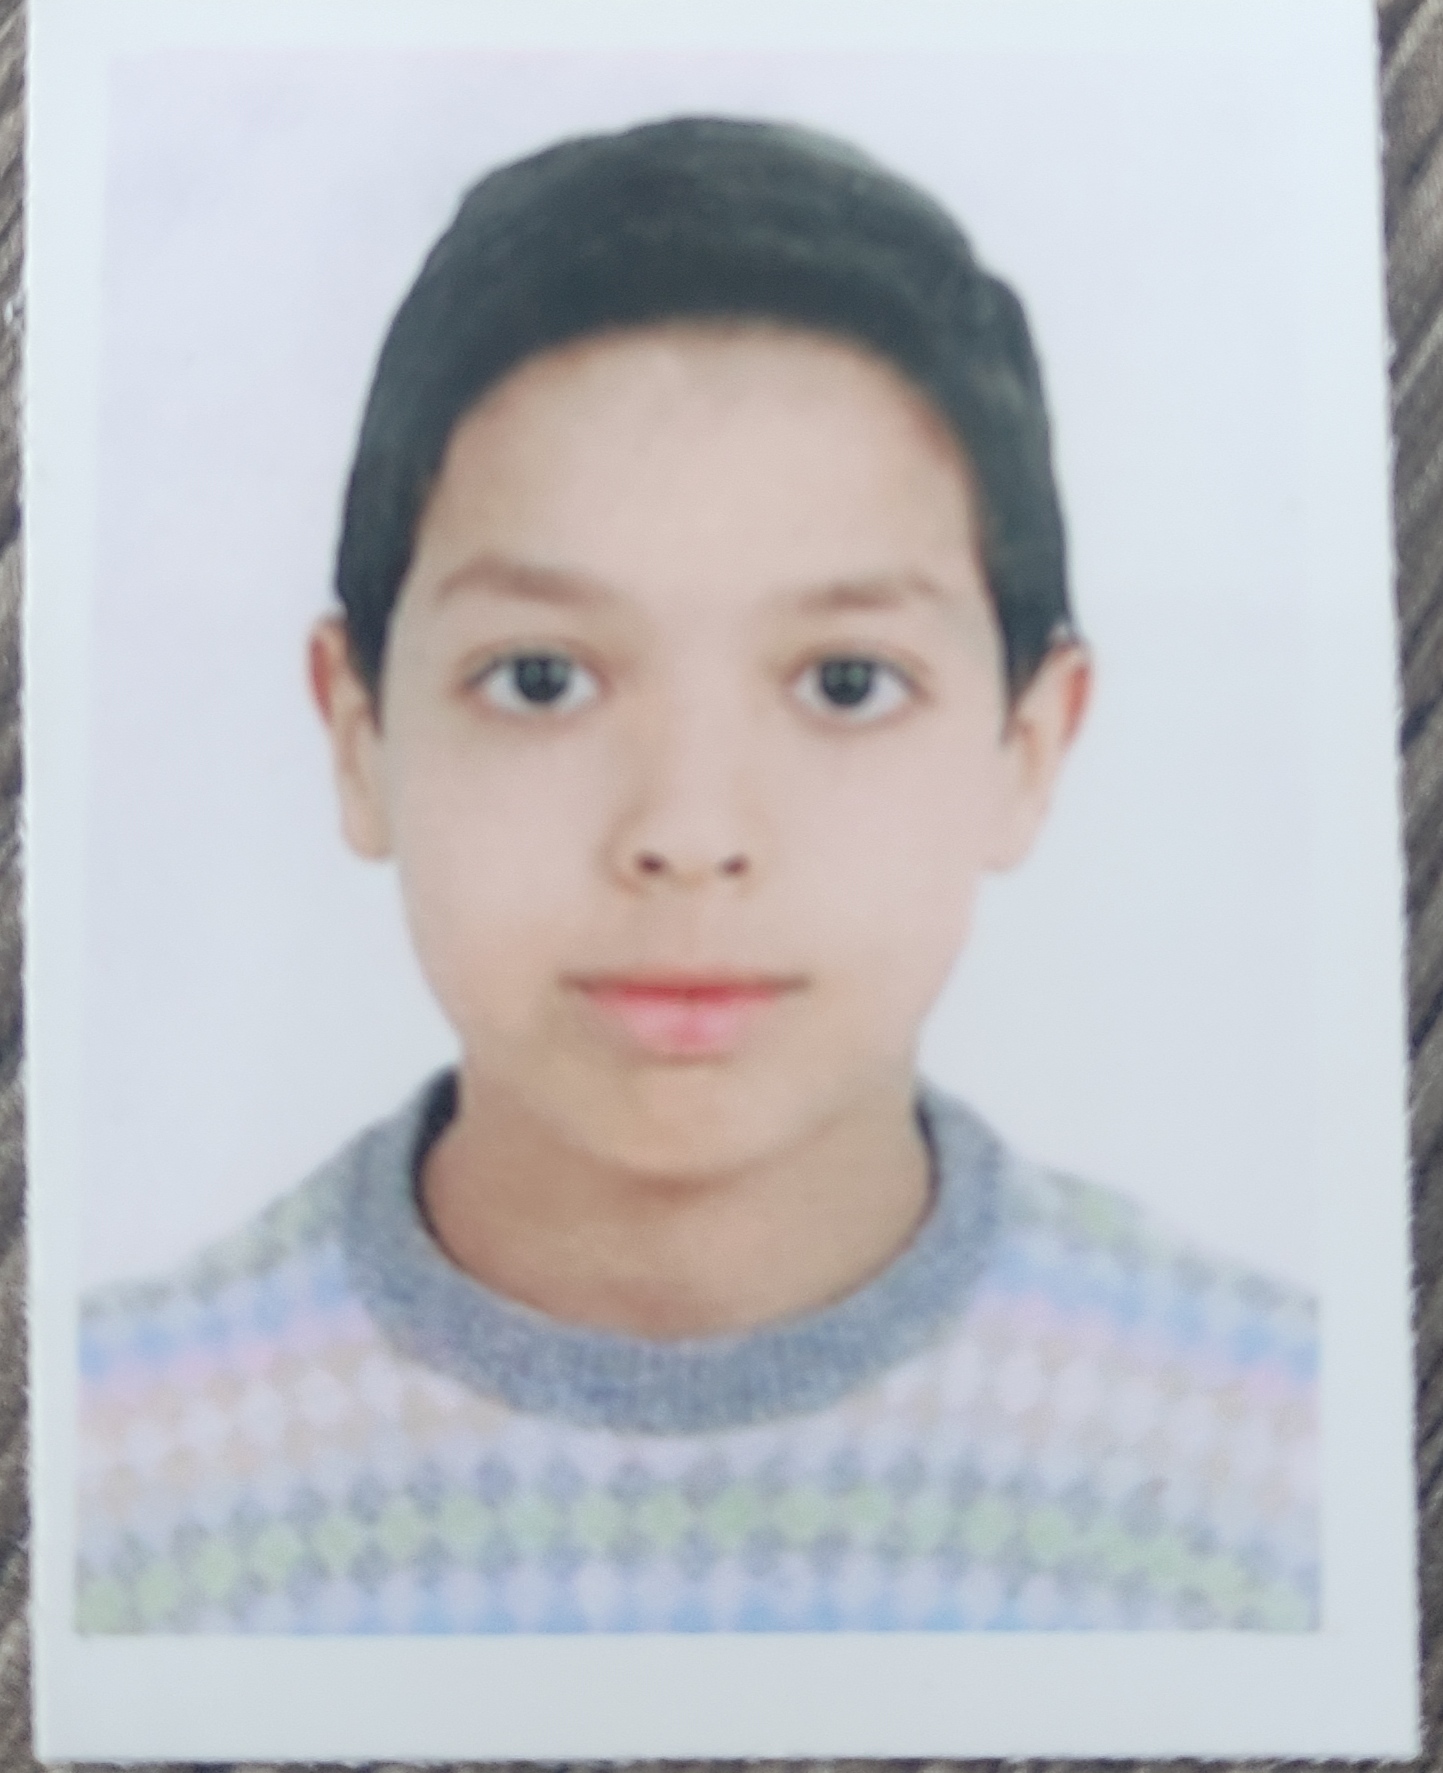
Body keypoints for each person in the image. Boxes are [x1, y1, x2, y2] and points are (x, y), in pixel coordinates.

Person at [76, 117, 1318, 1635]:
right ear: (358, 735)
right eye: (541, 677)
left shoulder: (1278, 1461)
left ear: (1029, 746)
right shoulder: (103, 1468)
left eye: (846, 682)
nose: (686, 831)